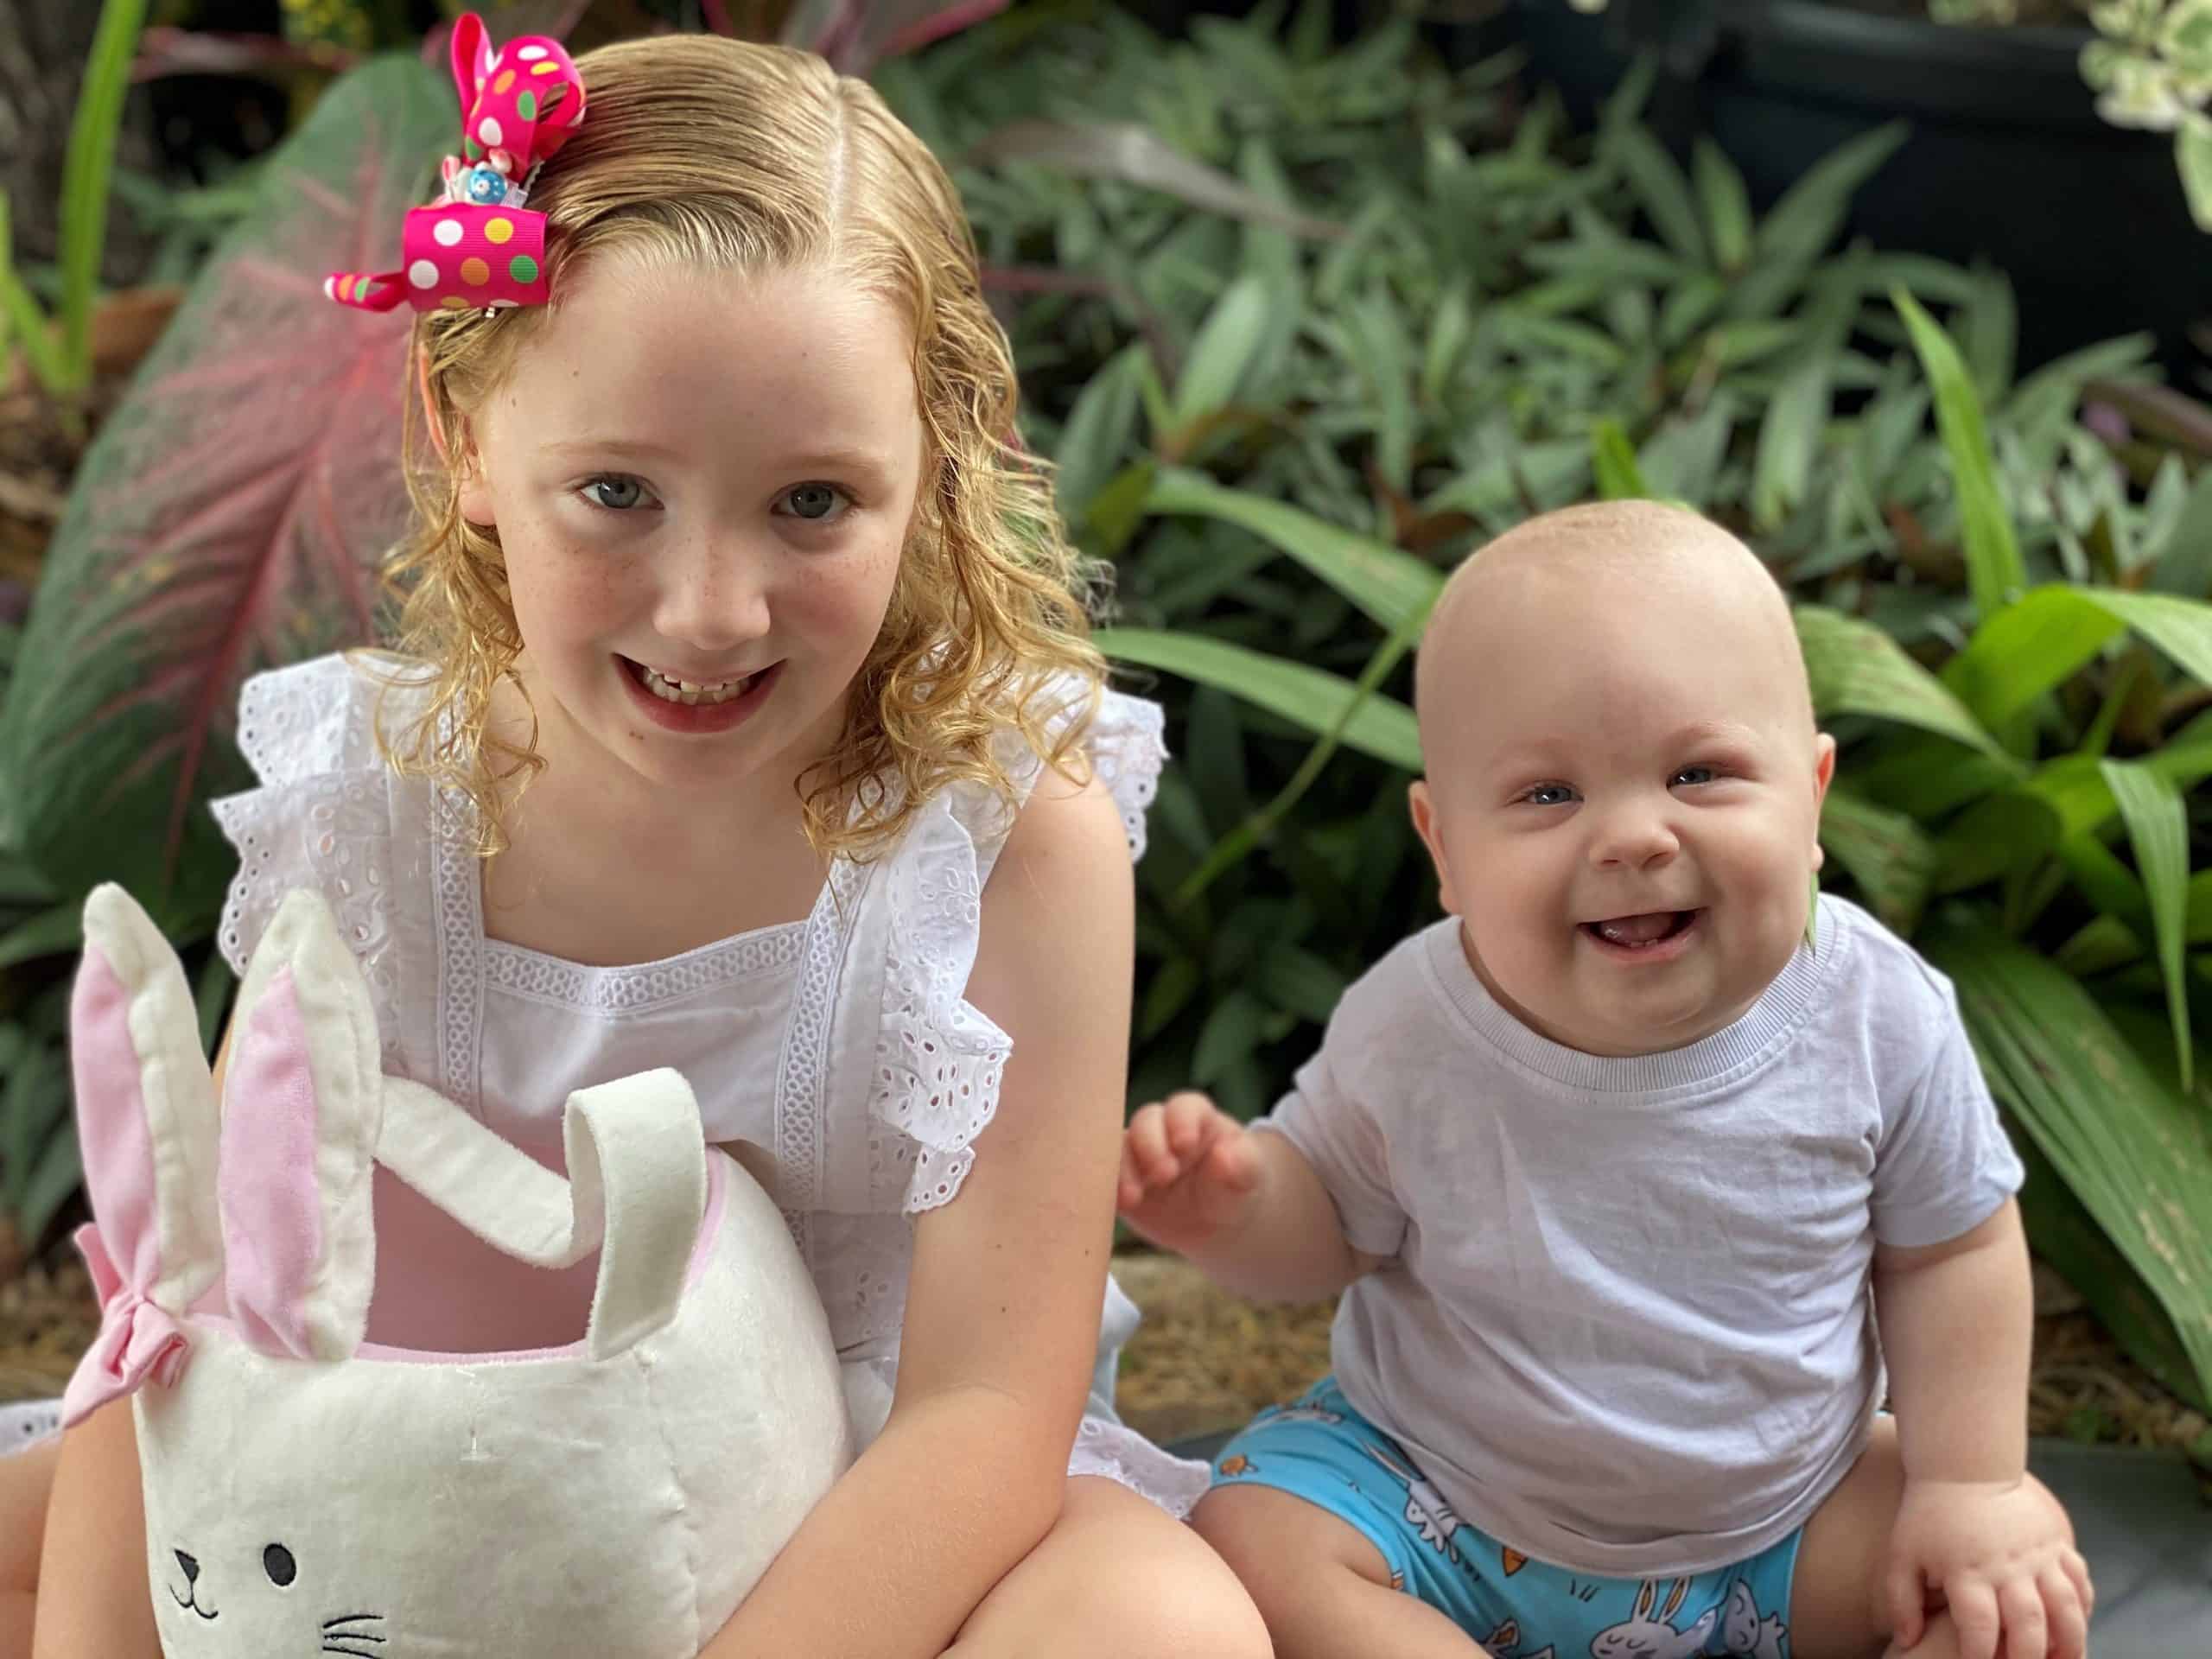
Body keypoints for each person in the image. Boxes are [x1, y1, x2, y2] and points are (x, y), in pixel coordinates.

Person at [3, 20, 1269, 1659]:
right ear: (469, 445)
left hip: (863, 1515)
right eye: (616, 492)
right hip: (424, 1499)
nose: (711, 608)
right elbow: (202, 1304)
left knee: (1159, 1628)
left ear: (931, 472)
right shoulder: (378, 797)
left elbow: (981, 1420)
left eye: (813, 502)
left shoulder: (1008, 835)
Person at [1117, 500, 2094, 1659]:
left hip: (1781, 1527)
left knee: (2008, 1599)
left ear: (1814, 798)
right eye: (1547, 796)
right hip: (1445, 1511)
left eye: (1700, 773)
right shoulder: (1413, 1027)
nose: (1634, 837)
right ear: (1444, 848)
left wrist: (1972, 1488)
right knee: (1247, 1544)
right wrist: (1231, 1207)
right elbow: (1330, 1227)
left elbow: (1956, 1251)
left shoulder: (1878, 1015)